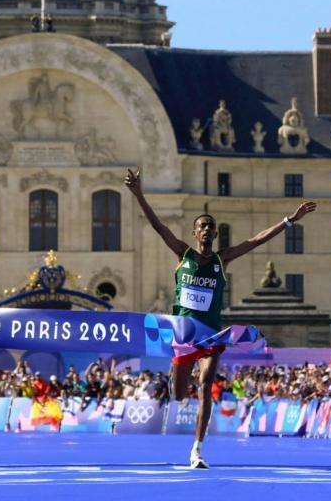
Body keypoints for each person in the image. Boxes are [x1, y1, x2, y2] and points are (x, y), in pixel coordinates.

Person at [123, 166, 316, 469]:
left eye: (212, 227)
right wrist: (138, 194)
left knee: (206, 386)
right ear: (195, 233)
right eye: (204, 226)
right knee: (178, 394)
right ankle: (176, 386)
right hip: (183, 335)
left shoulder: (221, 259)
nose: (209, 230)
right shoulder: (183, 254)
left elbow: (256, 240)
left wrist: (289, 220)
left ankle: (197, 449)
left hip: (211, 334)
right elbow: (159, 227)